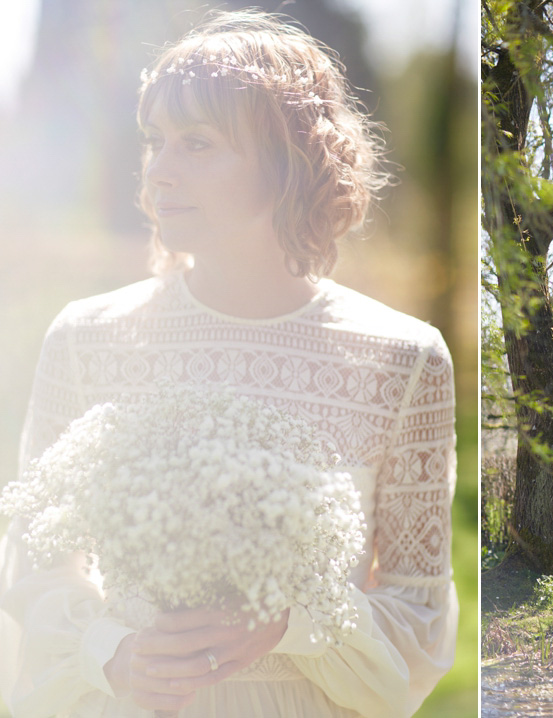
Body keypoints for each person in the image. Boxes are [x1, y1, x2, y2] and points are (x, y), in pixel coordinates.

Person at [0, 10, 456, 718]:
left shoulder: (404, 359)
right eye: (155, 142)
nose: (160, 171)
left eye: (197, 143)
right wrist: (114, 654)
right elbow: (35, 570)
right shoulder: (85, 339)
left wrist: (292, 621)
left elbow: (418, 624)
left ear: (289, 160)